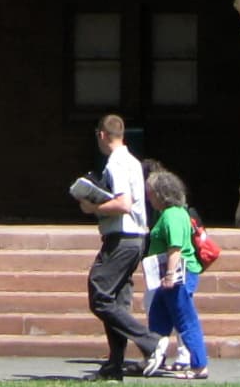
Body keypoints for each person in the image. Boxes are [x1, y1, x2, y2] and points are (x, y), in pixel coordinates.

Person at [79, 113, 153, 378]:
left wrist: (93, 206)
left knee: (99, 294)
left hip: (121, 237)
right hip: (136, 239)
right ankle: (114, 364)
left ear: (102, 135)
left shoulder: (117, 163)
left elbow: (123, 204)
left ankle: (150, 342)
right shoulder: (132, 161)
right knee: (117, 301)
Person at [141, 168, 208, 379]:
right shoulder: (169, 214)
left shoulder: (172, 215)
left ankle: (199, 366)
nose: (148, 198)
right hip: (166, 276)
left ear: (162, 194)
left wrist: (170, 275)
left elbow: (175, 248)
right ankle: (152, 357)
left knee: (185, 321)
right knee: (158, 319)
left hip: (179, 275)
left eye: (151, 193)